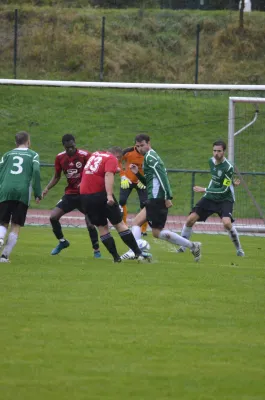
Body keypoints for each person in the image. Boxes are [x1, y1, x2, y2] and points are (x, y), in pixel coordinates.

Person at [121, 134, 201, 261]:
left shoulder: (151, 157)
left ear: (149, 143)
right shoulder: (149, 157)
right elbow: (149, 181)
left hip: (157, 198)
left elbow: (162, 177)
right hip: (154, 197)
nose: (140, 148)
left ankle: (134, 250)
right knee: (149, 229)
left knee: (148, 228)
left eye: (142, 145)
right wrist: (137, 174)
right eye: (138, 146)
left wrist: (167, 197)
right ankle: (192, 246)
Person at [80, 146, 151, 263]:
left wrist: (116, 169)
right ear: (117, 156)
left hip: (85, 196)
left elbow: (98, 170)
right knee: (119, 224)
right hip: (101, 194)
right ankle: (138, 252)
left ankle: (116, 258)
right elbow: (108, 174)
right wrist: (109, 195)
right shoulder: (112, 158)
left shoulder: (96, 154)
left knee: (102, 227)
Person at [176, 139, 245, 256]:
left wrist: (205, 189)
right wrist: (232, 182)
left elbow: (224, 189)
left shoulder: (229, 167)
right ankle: (183, 246)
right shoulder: (211, 161)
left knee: (227, 223)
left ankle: (239, 249)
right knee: (190, 219)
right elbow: (220, 178)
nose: (216, 153)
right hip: (210, 197)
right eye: (214, 151)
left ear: (224, 152)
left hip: (225, 198)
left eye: (219, 151)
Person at [42, 134, 101, 257]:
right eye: (67, 147)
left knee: (90, 223)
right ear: (64, 146)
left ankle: (96, 250)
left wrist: (86, 183)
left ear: (75, 144)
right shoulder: (60, 158)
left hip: (85, 194)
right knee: (53, 217)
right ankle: (62, 242)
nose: (70, 149)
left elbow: (94, 171)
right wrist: (47, 188)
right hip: (70, 194)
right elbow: (57, 176)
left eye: (72, 147)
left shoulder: (85, 155)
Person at [0, 131, 42, 263]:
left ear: (15, 142)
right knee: (16, 224)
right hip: (22, 191)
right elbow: (35, 170)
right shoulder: (33, 155)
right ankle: (4, 256)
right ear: (28, 141)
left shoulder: (7, 155)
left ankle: (0, 237)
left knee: (3, 222)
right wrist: (37, 192)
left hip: (5, 190)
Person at [119, 144, 148, 236]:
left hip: (141, 181)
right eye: (140, 146)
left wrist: (145, 178)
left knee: (145, 204)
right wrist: (122, 175)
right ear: (137, 145)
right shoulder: (128, 151)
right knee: (122, 201)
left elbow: (152, 168)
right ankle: (124, 227)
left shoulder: (149, 154)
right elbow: (118, 161)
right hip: (128, 180)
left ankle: (143, 229)